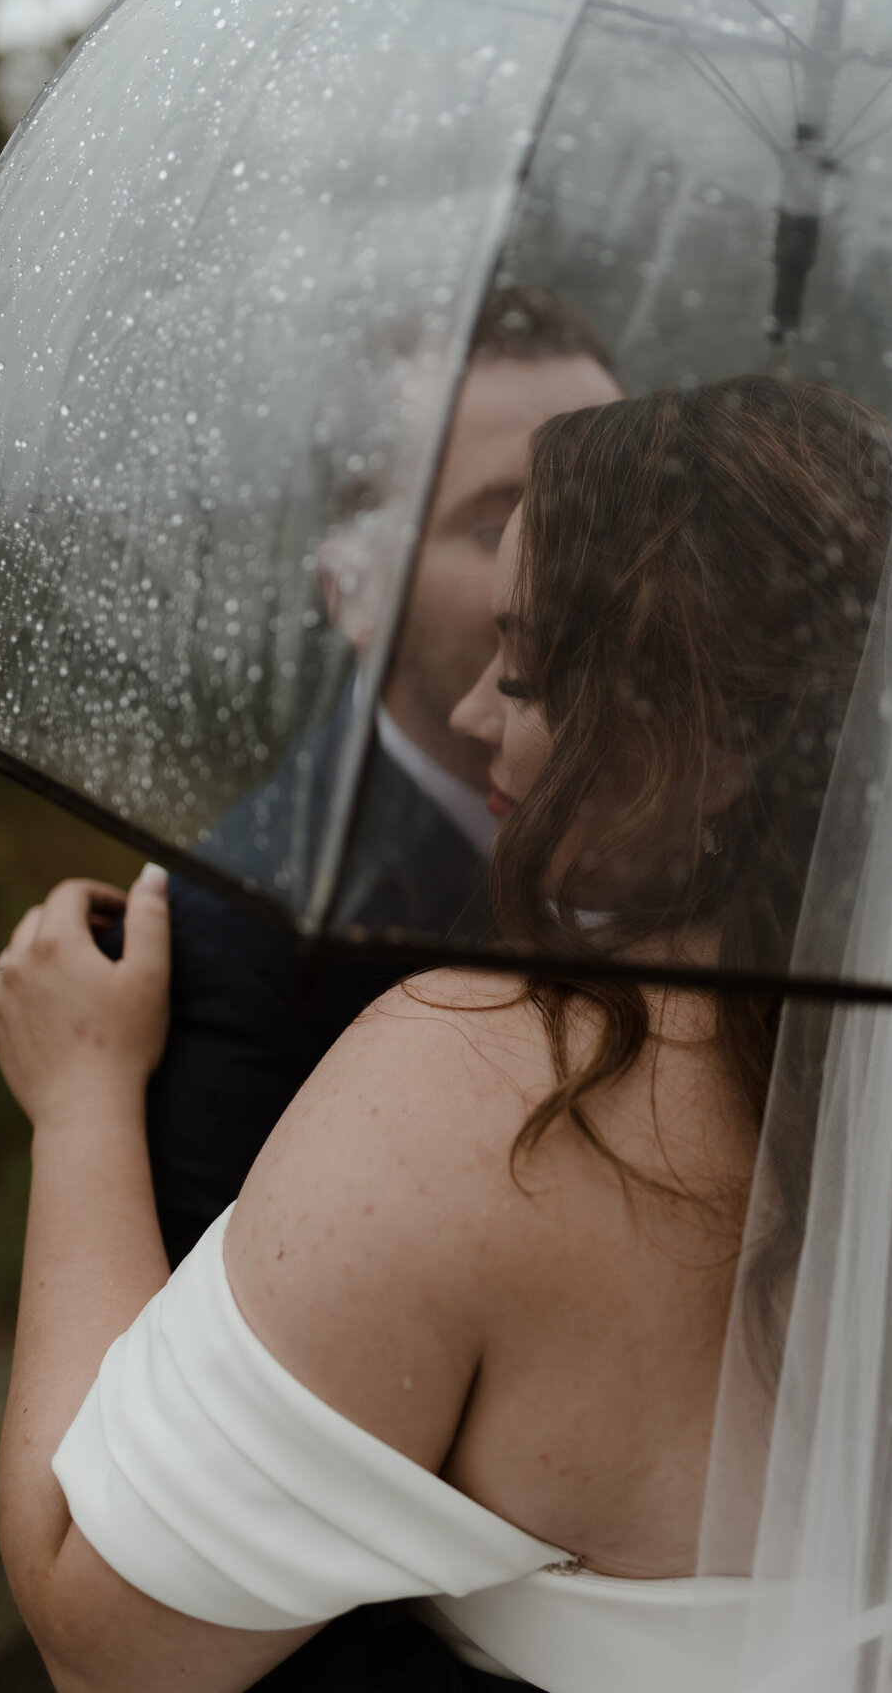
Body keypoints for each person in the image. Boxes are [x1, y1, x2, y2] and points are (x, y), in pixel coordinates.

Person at [0, 379, 892, 1693]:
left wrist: (82, 1099)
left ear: (712, 749)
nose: (483, 713)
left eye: (535, 673)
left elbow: (102, 1637)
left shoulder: (481, 1101)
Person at [140, 285, 621, 1271]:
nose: (579, 568)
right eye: (499, 526)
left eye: (609, 504)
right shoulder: (244, 935)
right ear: (353, 590)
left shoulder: (750, 846)